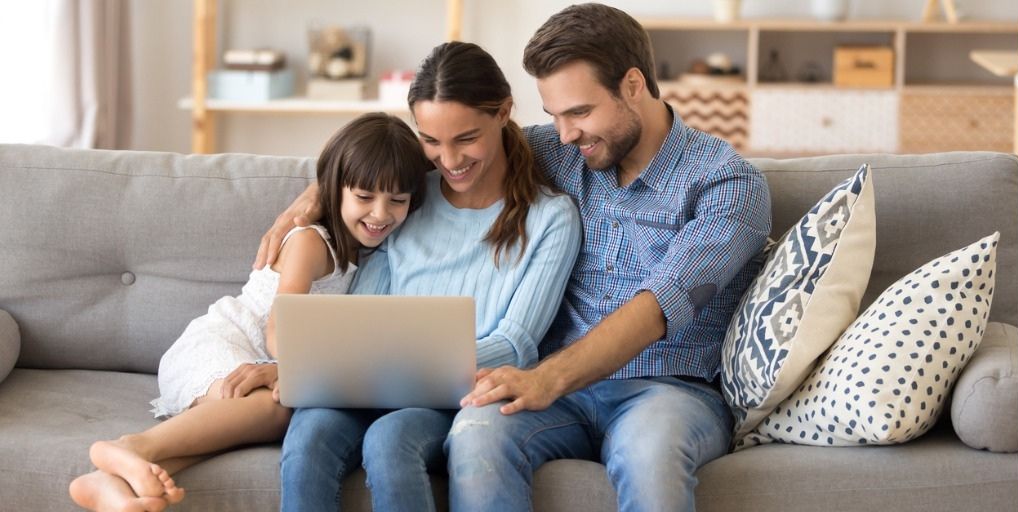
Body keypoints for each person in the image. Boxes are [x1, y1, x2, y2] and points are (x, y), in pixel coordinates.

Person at [445, 4, 772, 511]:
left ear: (634, 85)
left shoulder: (727, 184)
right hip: (560, 395)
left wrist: (546, 378)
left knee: (650, 451)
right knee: (476, 429)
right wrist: (321, 195)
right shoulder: (561, 152)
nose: (565, 133)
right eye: (554, 115)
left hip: (669, 392)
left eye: (579, 112)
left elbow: (657, 308)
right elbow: (455, 153)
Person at [265, 42, 582, 512]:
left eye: (465, 138)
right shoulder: (407, 197)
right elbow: (361, 308)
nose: (449, 159)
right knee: (308, 433)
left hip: (454, 393)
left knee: (392, 440)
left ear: (504, 113)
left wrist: (404, 364)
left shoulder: (550, 217)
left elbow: (517, 343)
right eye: (431, 141)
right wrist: (305, 363)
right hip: (370, 376)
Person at [68, 112, 430, 512]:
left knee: (260, 421)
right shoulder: (312, 242)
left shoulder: (365, 251)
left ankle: (106, 481)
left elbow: (435, 156)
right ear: (334, 189)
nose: (381, 214)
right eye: (364, 198)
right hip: (220, 344)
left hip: (256, 361)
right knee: (279, 408)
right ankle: (131, 445)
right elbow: (280, 328)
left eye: (397, 201)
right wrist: (295, 369)